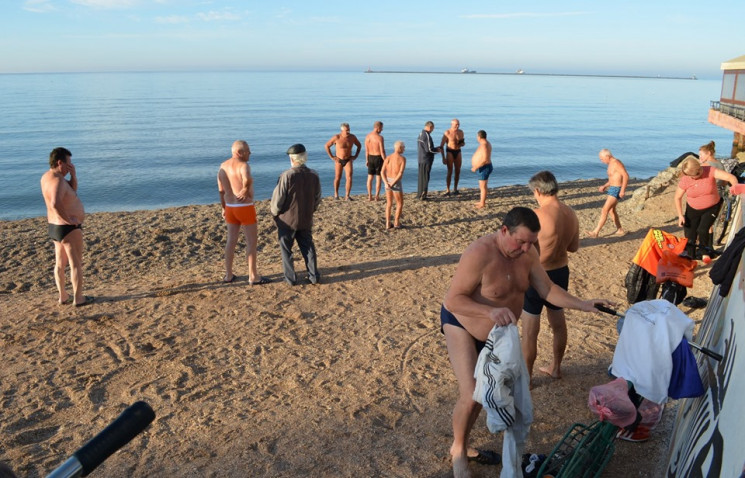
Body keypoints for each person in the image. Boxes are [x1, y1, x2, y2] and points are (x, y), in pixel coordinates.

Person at [441, 207, 610, 478]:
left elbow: (548, 290)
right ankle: (459, 450)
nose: (526, 248)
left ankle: (463, 441)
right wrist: (489, 311)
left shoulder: (528, 253)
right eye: (520, 241)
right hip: (462, 323)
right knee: (472, 393)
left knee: (486, 394)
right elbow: (453, 299)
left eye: (531, 242)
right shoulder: (479, 253)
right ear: (504, 230)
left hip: (497, 335)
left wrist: (584, 304)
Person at [520, 171, 579, 383]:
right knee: (558, 323)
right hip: (561, 271)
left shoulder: (535, 215)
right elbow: (573, 247)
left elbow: (521, 249)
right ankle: (556, 368)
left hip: (538, 275)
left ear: (537, 191)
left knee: (530, 329)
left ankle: (527, 378)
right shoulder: (570, 213)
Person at [40, 147, 93, 307]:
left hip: (55, 227)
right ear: (60, 162)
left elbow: (71, 190)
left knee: (59, 264)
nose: (71, 165)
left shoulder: (47, 177)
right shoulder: (58, 181)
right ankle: (78, 298)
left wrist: (73, 176)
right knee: (75, 263)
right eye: (69, 163)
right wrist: (69, 220)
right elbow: (55, 203)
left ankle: (63, 296)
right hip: (68, 228)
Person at [217, 140, 269, 285]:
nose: (250, 154)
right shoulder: (243, 165)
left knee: (231, 240)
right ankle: (253, 276)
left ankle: (228, 274)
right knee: (251, 242)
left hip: (229, 206)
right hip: (244, 207)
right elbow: (247, 178)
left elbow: (221, 191)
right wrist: (245, 188)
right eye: (247, 151)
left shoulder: (223, 166)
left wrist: (223, 208)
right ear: (239, 152)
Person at [271, 144, 322, 285]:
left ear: (292, 159)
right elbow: (317, 197)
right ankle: (314, 276)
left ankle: (290, 278)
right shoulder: (314, 175)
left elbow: (278, 199)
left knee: (286, 249)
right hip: (306, 217)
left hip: (287, 219)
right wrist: (311, 210)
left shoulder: (287, 176)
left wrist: (274, 213)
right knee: (308, 247)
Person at [674, 157, 737, 260]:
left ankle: (704, 252)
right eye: (690, 176)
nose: (693, 178)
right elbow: (677, 197)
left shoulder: (710, 170)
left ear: (699, 170)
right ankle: (691, 257)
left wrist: (735, 188)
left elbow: (731, 177)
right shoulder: (686, 179)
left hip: (712, 207)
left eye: (694, 176)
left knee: (703, 229)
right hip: (692, 208)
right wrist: (680, 215)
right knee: (690, 234)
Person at [587, 149, 629, 238]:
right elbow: (612, 179)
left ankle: (595, 232)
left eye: (602, 159)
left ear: (607, 156)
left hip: (617, 189)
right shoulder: (610, 164)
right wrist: (604, 186)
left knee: (604, 210)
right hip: (612, 188)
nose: (601, 161)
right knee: (611, 210)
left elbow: (625, 175)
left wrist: (622, 190)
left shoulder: (617, 163)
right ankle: (620, 229)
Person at [325, 123, 361, 200]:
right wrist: (332, 157)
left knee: (349, 177)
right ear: (342, 130)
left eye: (349, 129)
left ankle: (347, 196)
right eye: (346, 130)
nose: (348, 131)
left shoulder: (352, 137)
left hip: (348, 160)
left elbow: (359, 145)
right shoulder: (337, 137)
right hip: (339, 160)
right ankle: (336, 195)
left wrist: (355, 156)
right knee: (338, 177)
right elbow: (327, 146)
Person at [381, 141, 406, 230]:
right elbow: (400, 173)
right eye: (403, 147)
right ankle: (396, 222)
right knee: (399, 203)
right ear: (399, 148)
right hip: (395, 181)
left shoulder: (388, 158)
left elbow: (382, 172)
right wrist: (392, 183)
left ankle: (388, 223)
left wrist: (385, 182)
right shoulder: (402, 159)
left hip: (388, 180)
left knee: (389, 203)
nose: (404, 149)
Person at [417, 121, 442, 200]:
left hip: (421, 158)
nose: (432, 130)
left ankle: (419, 193)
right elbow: (429, 150)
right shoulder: (426, 135)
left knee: (421, 176)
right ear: (430, 127)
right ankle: (423, 195)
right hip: (426, 159)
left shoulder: (421, 134)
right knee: (425, 177)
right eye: (433, 128)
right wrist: (437, 150)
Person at [440, 118, 465, 196]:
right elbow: (441, 146)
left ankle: (455, 189)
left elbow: (463, 143)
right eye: (456, 124)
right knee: (450, 171)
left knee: (458, 171)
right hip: (450, 151)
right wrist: (443, 158)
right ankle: (448, 190)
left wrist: (462, 144)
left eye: (458, 124)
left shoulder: (461, 132)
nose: (457, 126)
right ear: (452, 125)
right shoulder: (447, 132)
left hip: (458, 151)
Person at [470, 130, 493, 209]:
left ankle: (482, 203)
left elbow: (485, 159)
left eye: (477, 136)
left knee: (483, 186)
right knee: (482, 186)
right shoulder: (485, 143)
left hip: (484, 168)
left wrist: (475, 167)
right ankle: (481, 201)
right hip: (483, 167)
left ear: (479, 137)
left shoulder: (484, 145)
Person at [364, 121, 387, 201]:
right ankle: (376, 196)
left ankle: (370, 196)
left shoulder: (367, 136)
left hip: (370, 157)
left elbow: (366, 150)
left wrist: (366, 159)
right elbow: (382, 151)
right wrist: (386, 161)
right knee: (378, 178)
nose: (382, 130)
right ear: (378, 128)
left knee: (370, 177)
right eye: (381, 128)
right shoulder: (380, 138)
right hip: (378, 158)